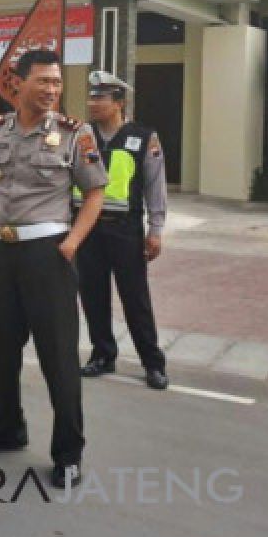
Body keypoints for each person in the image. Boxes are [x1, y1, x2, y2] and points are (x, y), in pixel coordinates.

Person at [0, 50, 108, 490]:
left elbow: (95, 192)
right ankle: (8, 429)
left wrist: (71, 243)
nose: (51, 90)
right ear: (16, 83)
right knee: (2, 352)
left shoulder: (74, 134)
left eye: (57, 83)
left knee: (58, 358)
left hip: (48, 255)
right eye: (42, 81)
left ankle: (68, 454)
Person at [76, 70, 170, 390]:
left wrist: (155, 229)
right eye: (91, 97)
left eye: (100, 98)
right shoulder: (80, 135)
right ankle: (102, 354)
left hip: (125, 229)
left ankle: (152, 363)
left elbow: (156, 186)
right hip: (86, 229)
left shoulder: (144, 137)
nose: (93, 103)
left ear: (119, 103)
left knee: (135, 298)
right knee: (92, 295)